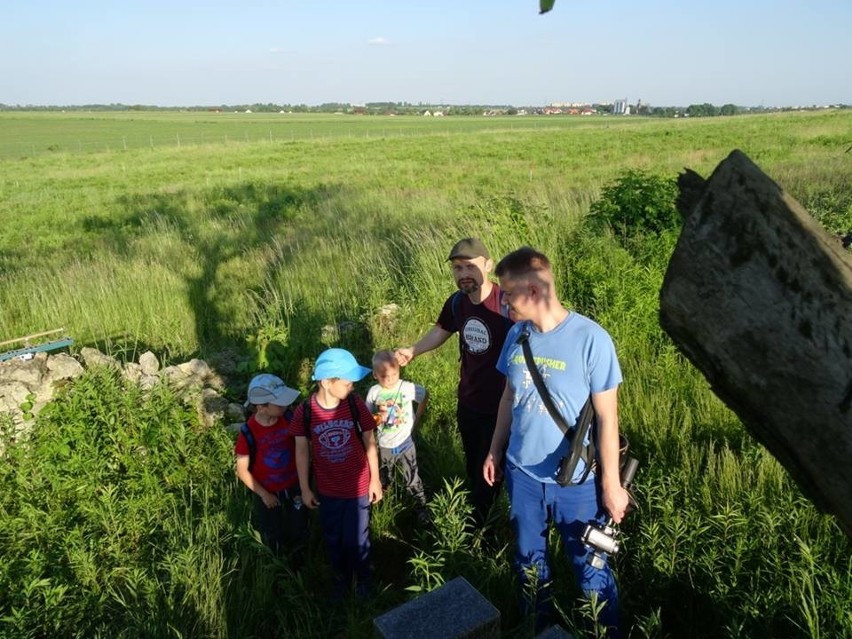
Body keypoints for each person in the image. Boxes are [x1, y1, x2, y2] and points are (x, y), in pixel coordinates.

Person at [482, 247, 629, 637]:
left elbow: (607, 418)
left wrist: (611, 486)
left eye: (508, 294)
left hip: (576, 484)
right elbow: (509, 398)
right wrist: (496, 448)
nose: (503, 301)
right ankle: (539, 627)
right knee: (529, 564)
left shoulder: (591, 340)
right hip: (523, 476)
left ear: (532, 291)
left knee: (590, 568)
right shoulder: (516, 334)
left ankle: (604, 632)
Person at [395, 237, 512, 527]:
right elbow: (441, 331)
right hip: (469, 400)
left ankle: (493, 524)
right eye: (458, 268)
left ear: (488, 265)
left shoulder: (506, 303)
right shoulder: (457, 303)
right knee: (475, 463)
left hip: (504, 405)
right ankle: (482, 515)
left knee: (499, 466)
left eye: (470, 267)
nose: (463, 274)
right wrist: (413, 350)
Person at [294, 348, 383, 599]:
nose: (352, 387)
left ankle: (363, 578)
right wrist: (304, 488)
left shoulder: (354, 404)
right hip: (328, 489)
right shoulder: (306, 411)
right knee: (333, 536)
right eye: (347, 383)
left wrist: (375, 479)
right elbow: (301, 451)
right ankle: (341, 578)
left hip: (358, 487)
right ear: (325, 382)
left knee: (359, 537)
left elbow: (369, 439)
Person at [235, 373, 308, 560]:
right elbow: (242, 470)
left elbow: (304, 448)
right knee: (271, 530)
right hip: (266, 491)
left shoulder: (289, 418)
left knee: (298, 525)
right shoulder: (248, 432)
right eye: (279, 403)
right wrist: (264, 494)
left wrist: (305, 485)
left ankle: (298, 559)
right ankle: (276, 562)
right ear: (262, 407)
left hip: (294, 486)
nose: (285, 406)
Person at [365, 350, 430, 523]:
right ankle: (382, 501)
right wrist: (377, 419)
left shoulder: (407, 388)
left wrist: (417, 418)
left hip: (406, 442)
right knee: (385, 474)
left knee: (412, 475)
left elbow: (424, 395)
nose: (390, 379)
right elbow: (367, 417)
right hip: (385, 443)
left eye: (394, 374)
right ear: (375, 375)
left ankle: (421, 506)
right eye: (384, 376)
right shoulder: (374, 392)